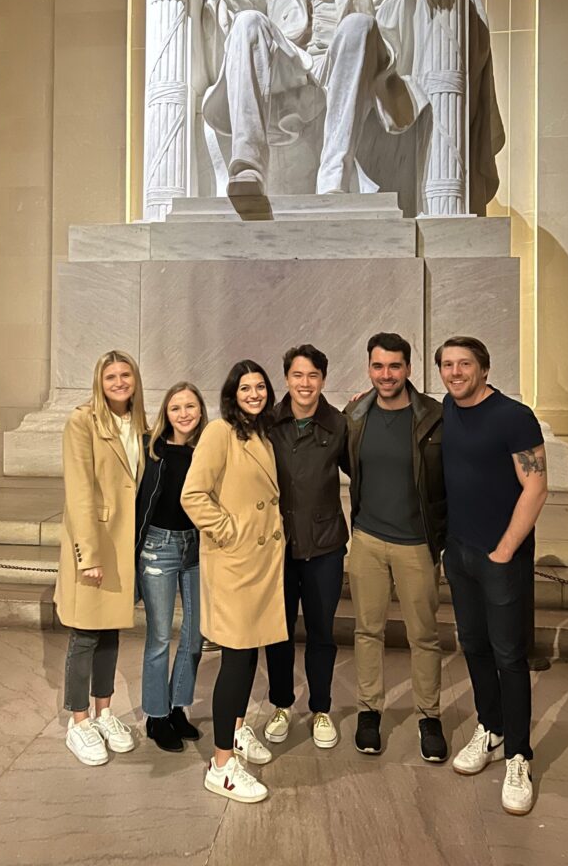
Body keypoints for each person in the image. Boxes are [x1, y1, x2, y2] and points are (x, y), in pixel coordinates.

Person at [148, 0, 502, 208]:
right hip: (291, 70)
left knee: (358, 25)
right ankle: (248, 168)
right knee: (248, 21)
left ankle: (334, 177)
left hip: (344, 70)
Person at [436, 336, 547, 816]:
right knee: (475, 646)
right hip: (458, 553)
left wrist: (504, 550)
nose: (455, 372)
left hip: (501, 558)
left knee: (509, 655)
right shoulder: (447, 407)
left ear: (484, 367)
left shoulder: (513, 416)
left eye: (464, 364)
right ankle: (491, 728)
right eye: (447, 365)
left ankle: (519, 754)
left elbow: (536, 486)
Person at [181, 361, 286, 804]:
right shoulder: (220, 432)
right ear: (232, 392)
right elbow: (193, 494)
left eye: (261, 386)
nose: (255, 393)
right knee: (237, 661)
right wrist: (229, 531)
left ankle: (239, 731)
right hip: (236, 563)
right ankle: (221, 765)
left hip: (260, 564)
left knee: (249, 656)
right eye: (246, 387)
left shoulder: (261, 433)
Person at [344, 333, 447, 762]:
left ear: (408, 369)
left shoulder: (435, 417)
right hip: (367, 540)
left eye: (395, 366)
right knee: (367, 631)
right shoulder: (355, 414)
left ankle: (429, 715)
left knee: (423, 635)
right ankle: (369, 711)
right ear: (369, 368)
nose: (386, 375)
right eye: (378, 366)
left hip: (416, 544)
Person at [54, 350, 147, 766]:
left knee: (110, 631)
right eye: (111, 376)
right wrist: (87, 554)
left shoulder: (141, 424)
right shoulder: (83, 421)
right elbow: (78, 490)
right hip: (96, 543)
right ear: (100, 381)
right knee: (85, 634)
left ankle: (104, 711)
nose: (119, 382)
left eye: (125, 374)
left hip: (123, 544)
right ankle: (79, 721)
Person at [264, 344, 349, 749]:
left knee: (321, 632)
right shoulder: (267, 423)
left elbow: (365, 472)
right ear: (286, 379)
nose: (305, 383)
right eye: (297, 375)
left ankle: (321, 710)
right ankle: (281, 703)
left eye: (313, 376)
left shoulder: (339, 425)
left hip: (325, 546)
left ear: (323, 380)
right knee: (278, 631)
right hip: (277, 548)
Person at [135, 382, 208, 752]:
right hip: (158, 548)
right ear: (166, 412)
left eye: (190, 406)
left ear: (200, 410)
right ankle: (156, 716)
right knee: (160, 636)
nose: (184, 413)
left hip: (195, 548)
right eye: (176, 407)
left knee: (195, 636)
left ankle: (178, 707)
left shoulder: (208, 450)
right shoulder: (153, 449)